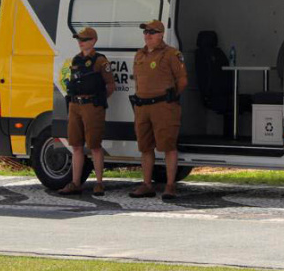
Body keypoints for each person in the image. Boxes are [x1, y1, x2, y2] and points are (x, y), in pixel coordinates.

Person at [128, 20, 187, 200]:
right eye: (145, 32)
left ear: (161, 34)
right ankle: (147, 184)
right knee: (145, 147)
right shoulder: (139, 54)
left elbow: (182, 80)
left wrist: (172, 96)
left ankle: (170, 186)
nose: (147, 35)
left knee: (168, 146)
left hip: (164, 106)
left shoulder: (171, 54)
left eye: (152, 32)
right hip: (143, 107)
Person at [58, 27, 115, 196]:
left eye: (84, 39)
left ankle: (99, 183)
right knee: (76, 145)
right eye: (79, 40)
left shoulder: (100, 61)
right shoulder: (75, 60)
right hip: (75, 105)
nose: (80, 43)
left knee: (95, 146)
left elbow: (110, 85)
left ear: (93, 41)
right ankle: (76, 182)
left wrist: (98, 100)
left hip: (92, 105)